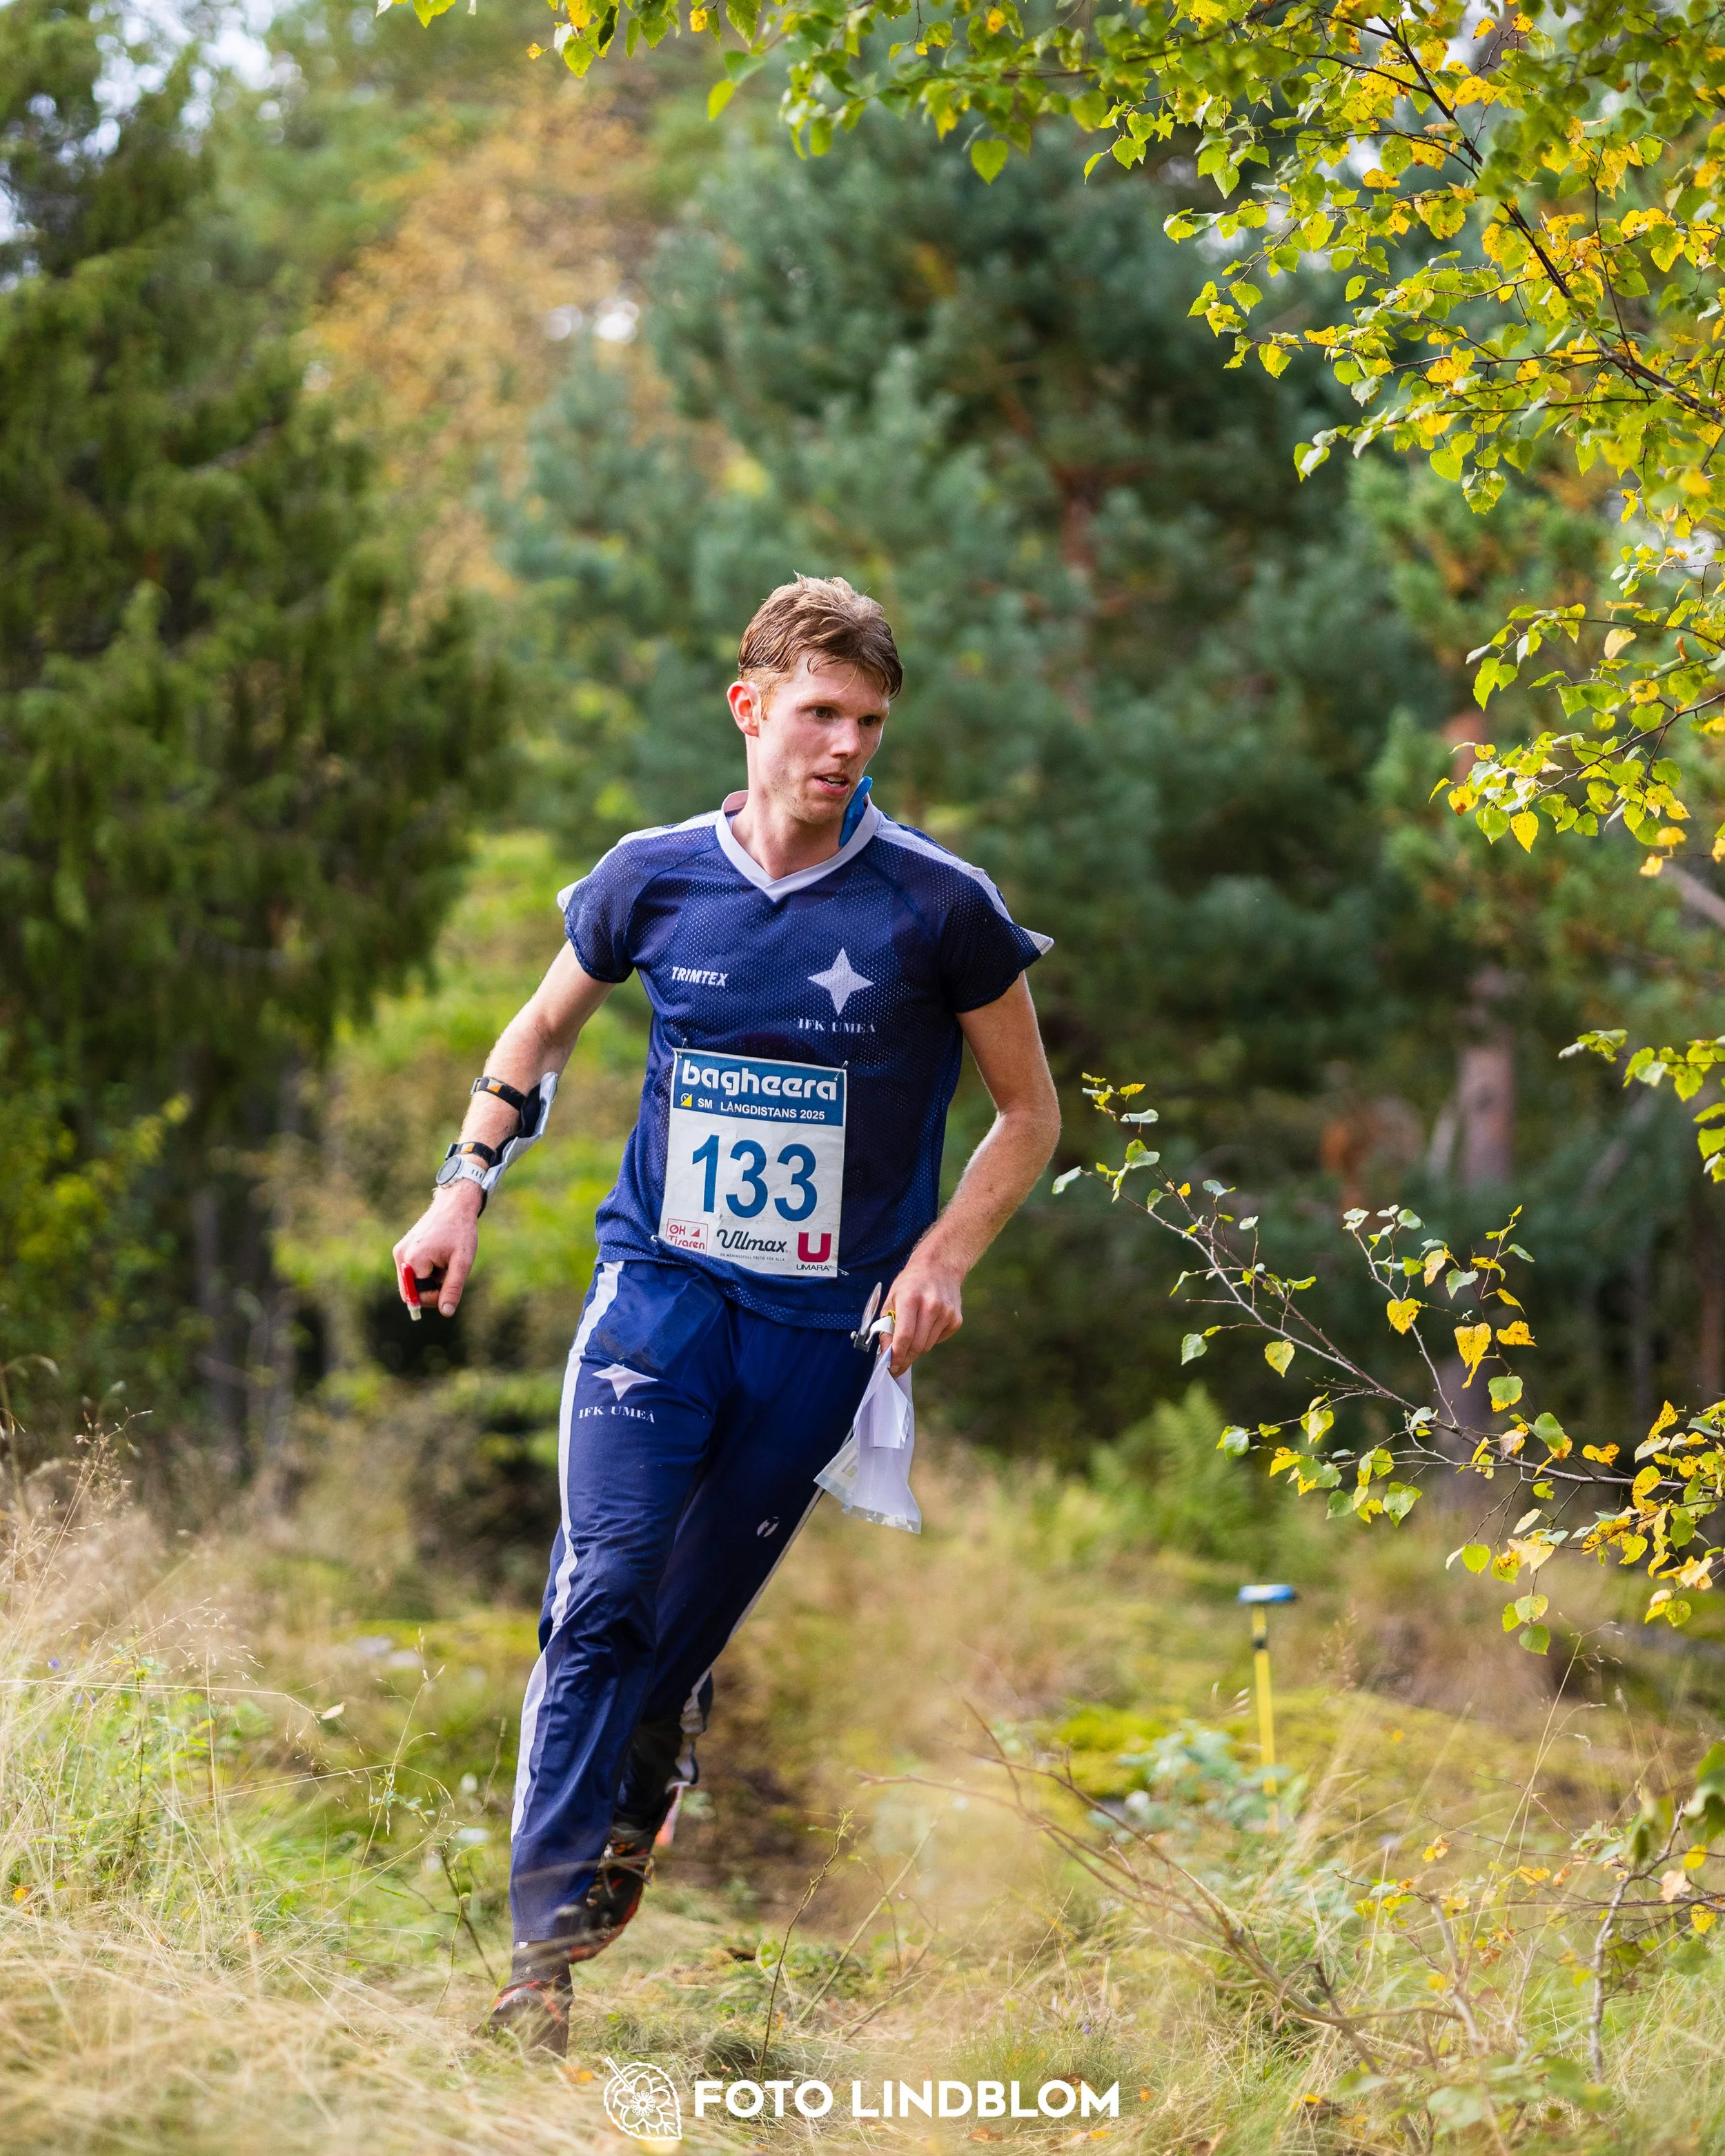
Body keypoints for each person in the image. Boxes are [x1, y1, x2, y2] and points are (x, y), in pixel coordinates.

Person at [391, 575, 1061, 2053]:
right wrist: (461, 1188)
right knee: (598, 1598)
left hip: (818, 1337)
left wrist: (943, 1253)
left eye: (868, 722)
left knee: (662, 1646)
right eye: (818, 713)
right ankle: (535, 1964)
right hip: (659, 1294)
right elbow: (539, 1031)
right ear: (750, 704)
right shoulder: (652, 875)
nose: (844, 747)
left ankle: (651, 1752)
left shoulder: (938, 907)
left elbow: (1028, 1114)